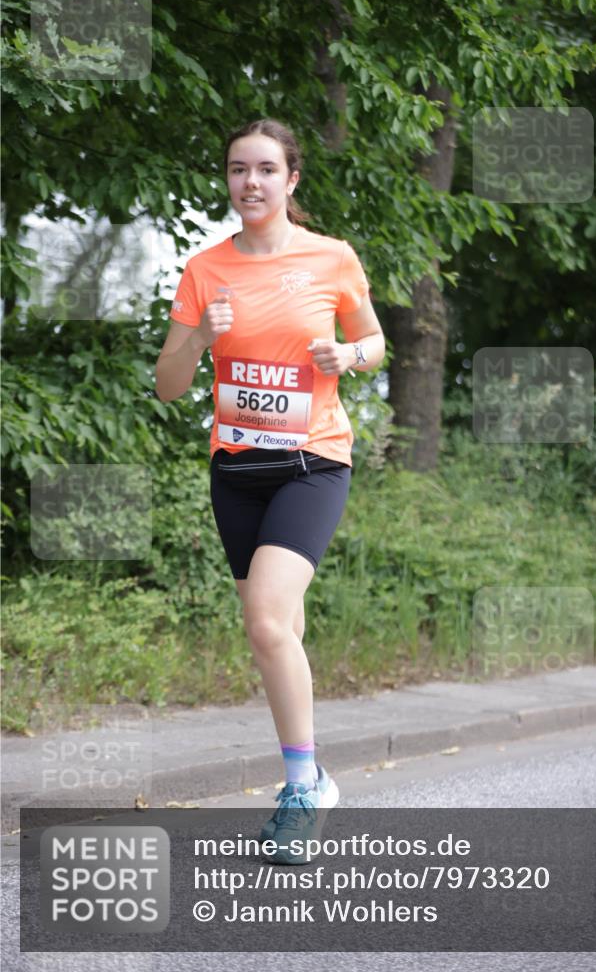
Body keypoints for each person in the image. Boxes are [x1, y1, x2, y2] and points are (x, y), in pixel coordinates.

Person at [155, 118, 385, 864]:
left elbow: (374, 342)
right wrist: (199, 337)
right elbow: (168, 385)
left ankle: (301, 788)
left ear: (291, 180)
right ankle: (314, 772)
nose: (248, 182)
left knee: (262, 621)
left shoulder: (332, 257)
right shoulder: (205, 269)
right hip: (237, 470)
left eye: (263, 169)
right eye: (236, 169)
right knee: (280, 627)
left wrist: (347, 354)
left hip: (313, 461)